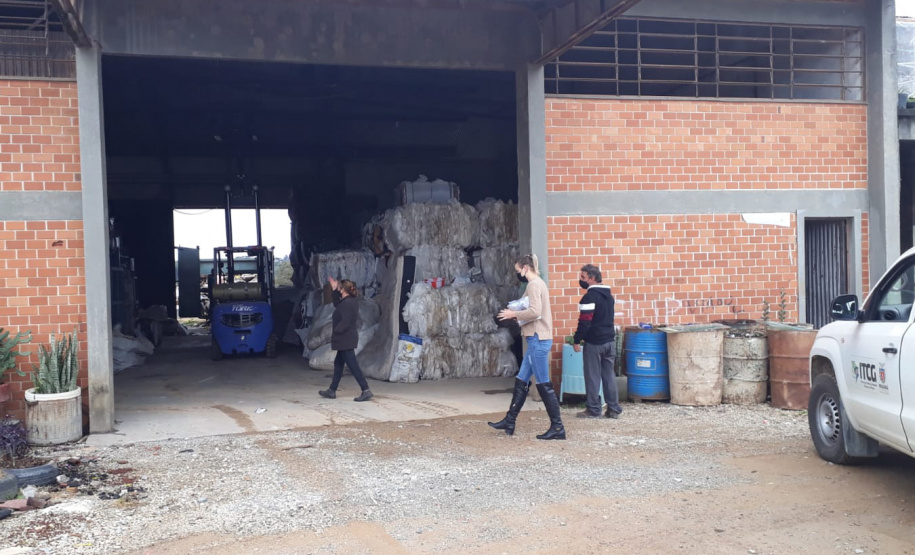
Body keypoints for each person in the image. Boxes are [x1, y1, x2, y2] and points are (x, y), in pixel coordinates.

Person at [489, 254, 565, 440]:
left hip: (538, 339)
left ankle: (557, 427)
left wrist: (513, 313)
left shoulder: (533, 285)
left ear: (525, 268)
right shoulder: (538, 283)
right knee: (522, 379)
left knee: (542, 382)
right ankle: (510, 420)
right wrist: (516, 313)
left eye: (517, 270)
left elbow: (535, 311)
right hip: (536, 339)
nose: (518, 274)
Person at [573, 264, 622, 419]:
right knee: (609, 376)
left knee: (592, 376)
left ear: (592, 279)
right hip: (609, 341)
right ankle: (613, 408)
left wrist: (576, 339)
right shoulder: (609, 296)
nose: (580, 281)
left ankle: (593, 409)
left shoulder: (590, 297)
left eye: (583, 278)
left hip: (595, 343)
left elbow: (585, 322)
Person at [319, 277, 374, 402]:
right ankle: (332, 390)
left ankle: (366, 390)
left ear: (343, 290)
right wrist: (333, 290)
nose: (338, 289)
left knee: (353, 365)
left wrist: (336, 331)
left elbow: (345, 321)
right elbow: (336, 304)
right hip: (344, 338)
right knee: (338, 364)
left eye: (339, 287)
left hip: (345, 338)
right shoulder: (347, 301)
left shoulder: (348, 303)